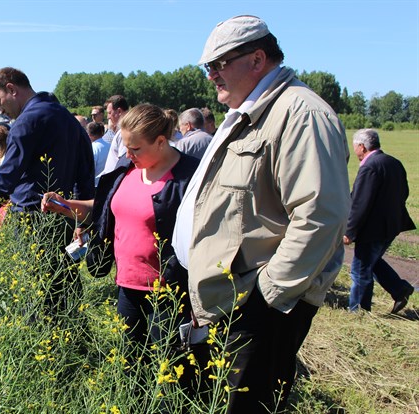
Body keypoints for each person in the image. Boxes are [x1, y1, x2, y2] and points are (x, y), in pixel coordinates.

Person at [173, 15, 351, 412]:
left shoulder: (300, 113)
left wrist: (268, 294)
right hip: (228, 298)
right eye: (208, 67)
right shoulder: (247, 111)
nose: (211, 75)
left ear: (257, 58)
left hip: (258, 306)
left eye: (220, 64)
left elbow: (320, 216)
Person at [42, 103, 199, 381]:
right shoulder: (126, 169)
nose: (127, 154)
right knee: (130, 364)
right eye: (126, 146)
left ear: (161, 142)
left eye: (135, 148)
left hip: (170, 292)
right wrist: (66, 205)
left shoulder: (191, 177)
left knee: (168, 369)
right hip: (127, 286)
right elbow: (102, 208)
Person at [0, 67, 95, 316]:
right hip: (64, 217)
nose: (0, 111)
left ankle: (38, 342)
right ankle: (74, 338)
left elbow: (4, 179)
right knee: (64, 281)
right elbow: (84, 175)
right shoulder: (68, 120)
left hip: (31, 219)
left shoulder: (26, 121)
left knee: (35, 288)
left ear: (11, 89)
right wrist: (79, 219)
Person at [343, 128, 415, 314]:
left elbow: (360, 203)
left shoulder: (370, 166)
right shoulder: (393, 162)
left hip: (373, 229)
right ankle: (399, 289)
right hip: (391, 225)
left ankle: (358, 311)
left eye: (355, 146)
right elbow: (404, 193)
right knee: (371, 262)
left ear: (361, 146)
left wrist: (349, 231)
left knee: (360, 270)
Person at [100, 95, 130, 176]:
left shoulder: (124, 132)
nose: (108, 117)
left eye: (110, 113)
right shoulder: (123, 130)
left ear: (119, 111)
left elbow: (123, 164)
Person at [87, 121, 109, 186]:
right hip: (108, 184)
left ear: (89, 135)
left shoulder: (92, 148)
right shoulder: (110, 146)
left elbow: (90, 169)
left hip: (95, 185)